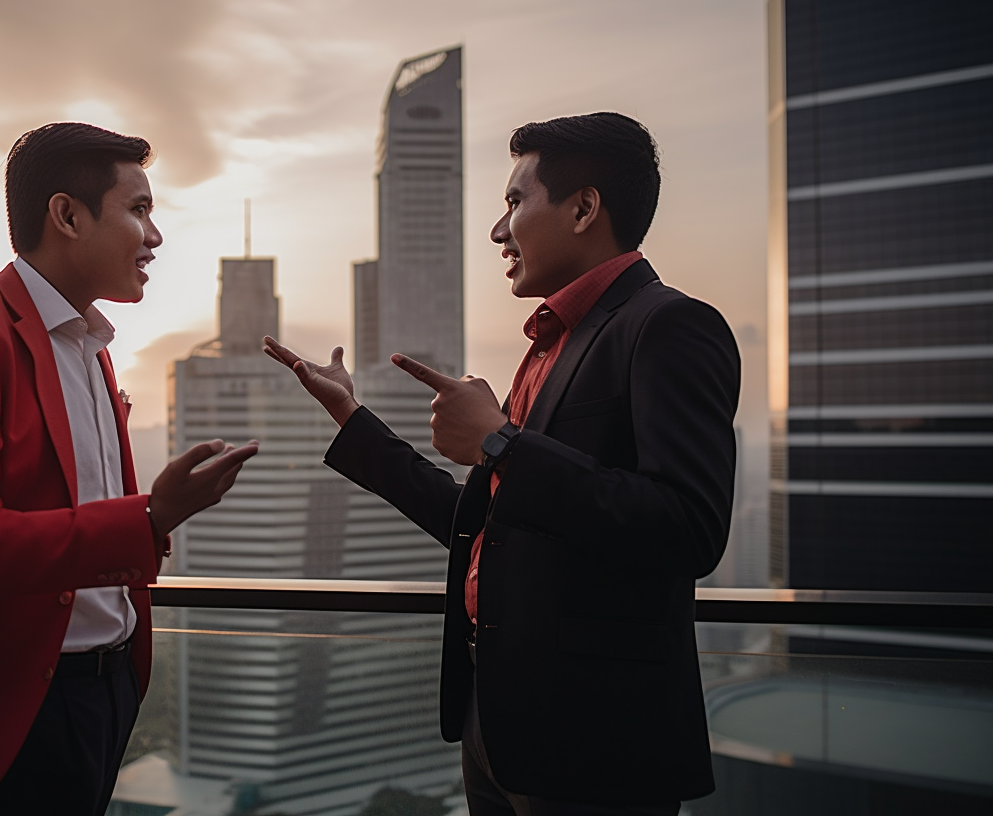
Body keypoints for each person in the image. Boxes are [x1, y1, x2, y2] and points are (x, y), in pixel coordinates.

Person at [264, 112, 739, 815]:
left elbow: (687, 528)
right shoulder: (552, 344)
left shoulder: (667, 325)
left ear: (584, 209)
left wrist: (501, 444)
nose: (497, 229)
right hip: (498, 724)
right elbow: (487, 522)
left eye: (515, 202)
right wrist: (355, 423)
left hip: (595, 743)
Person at [0, 122, 259, 815]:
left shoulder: (92, 346)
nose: (155, 236)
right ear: (66, 215)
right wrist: (151, 516)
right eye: (139, 209)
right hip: (12, 701)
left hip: (104, 690)